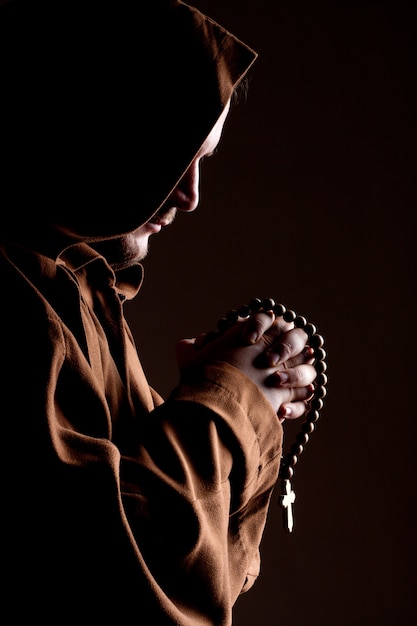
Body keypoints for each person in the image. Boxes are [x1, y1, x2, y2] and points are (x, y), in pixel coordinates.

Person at [0, 1, 317, 623]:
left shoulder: (84, 294)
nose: (191, 195)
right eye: (173, 156)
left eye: (205, 160)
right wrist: (226, 401)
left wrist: (223, 401)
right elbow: (127, 579)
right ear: (102, 125)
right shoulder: (13, 302)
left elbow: (205, 571)